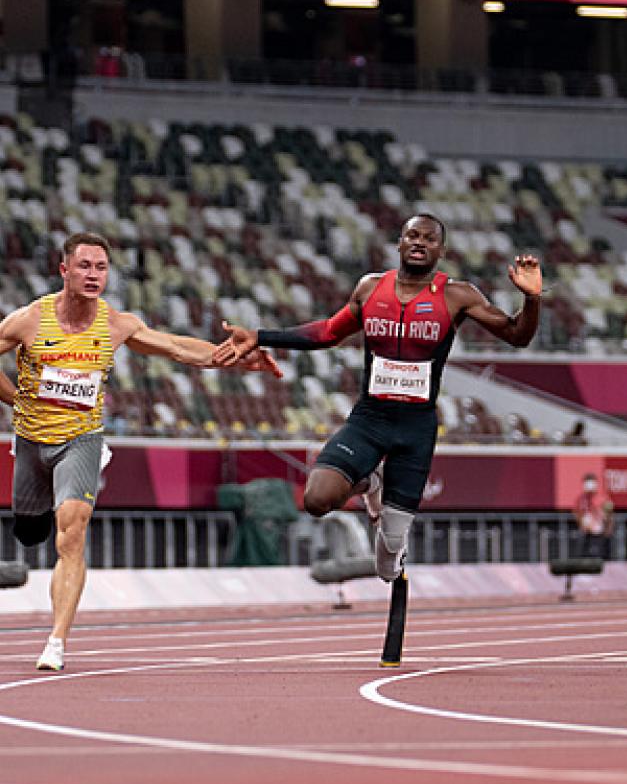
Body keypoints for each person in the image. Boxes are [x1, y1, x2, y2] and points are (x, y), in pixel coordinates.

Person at [0, 232, 281, 671]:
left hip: (82, 439)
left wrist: (238, 358)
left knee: (71, 533)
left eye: (101, 268)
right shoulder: (30, 320)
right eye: (84, 266)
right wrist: (15, 399)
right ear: (64, 271)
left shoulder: (116, 324)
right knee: (30, 531)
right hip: (32, 441)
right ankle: (30, 529)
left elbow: (178, 348)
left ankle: (56, 640)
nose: (93, 275)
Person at [213, 213, 542, 582]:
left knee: (388, 564)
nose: (419, 242)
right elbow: (327, 332)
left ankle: (381, 499)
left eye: (429, 239)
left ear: (442, 250)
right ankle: (370, 481)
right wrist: (261, 336)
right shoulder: (370, 288)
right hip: (370, 419)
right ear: (399, 243)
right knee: (317, 499)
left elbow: (517, 335)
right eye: (412, 235)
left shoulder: (457, 295)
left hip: (415, 429)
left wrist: (531, 300)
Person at [573, 473, 614, 559]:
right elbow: (577, 513)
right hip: (587, 534)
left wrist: (608, 529)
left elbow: (609, 514)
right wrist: (583, 525)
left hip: (600, 534)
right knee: (585, 556)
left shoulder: (603, 498)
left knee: (601, 556)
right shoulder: (581, 499)